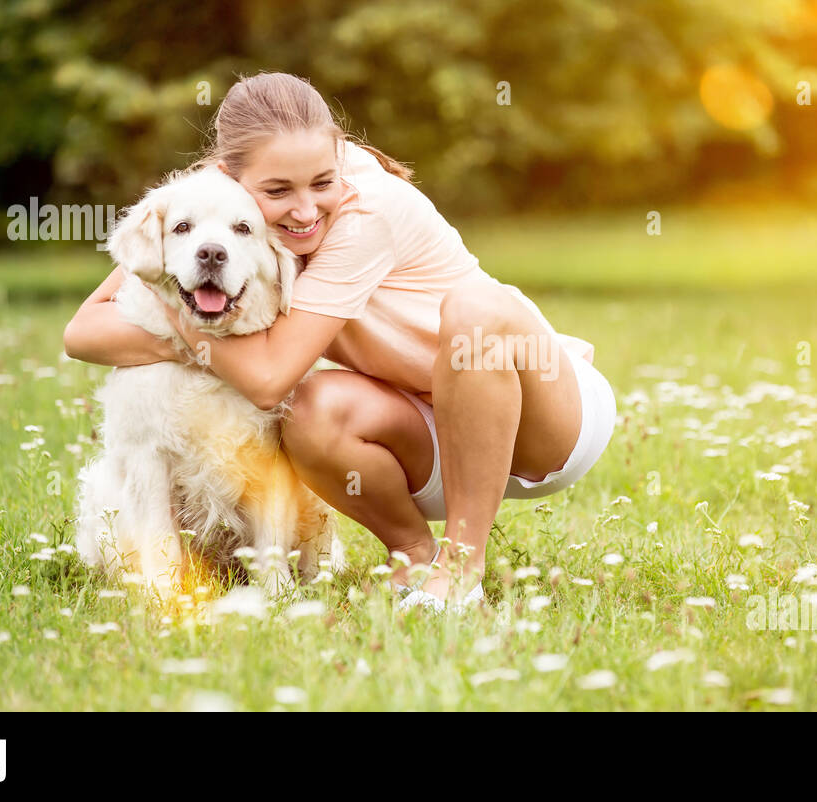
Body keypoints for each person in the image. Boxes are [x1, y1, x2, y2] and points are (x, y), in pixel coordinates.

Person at [63, 72, 617, 611]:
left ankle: (461, 572)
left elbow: (265, 380)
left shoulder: (366, 212)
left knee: (477, 310)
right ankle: (414, 556)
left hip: (541, 427)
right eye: (278, 191)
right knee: (309, 410)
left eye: (322, 183)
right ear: (229, 177)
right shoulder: (214, 207)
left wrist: (177, 306)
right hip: (429, 435)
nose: (305, 210)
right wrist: (182, 297)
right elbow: (84, 330)